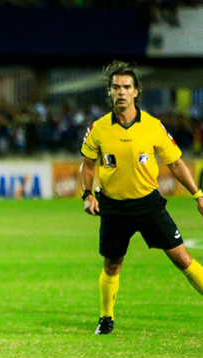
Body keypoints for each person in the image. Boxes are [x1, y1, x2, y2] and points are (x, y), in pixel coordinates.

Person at [80, 60, 203, 335]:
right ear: (110, 93)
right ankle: (106, 317)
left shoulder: (152, 126)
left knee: (182, 259)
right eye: (116, 87)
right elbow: (88, 165)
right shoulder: (99, 129)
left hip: (148, 204)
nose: (121, 92)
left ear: (136, 91)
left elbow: (176, 163)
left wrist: (197, 194)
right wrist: (88, 194)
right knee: (112, 264)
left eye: (126, 87)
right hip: (113, 206)